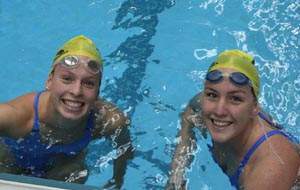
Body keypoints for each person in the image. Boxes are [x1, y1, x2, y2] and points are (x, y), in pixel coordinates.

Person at [0, 35, 133, 189]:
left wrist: (117, 182)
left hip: (61, 168)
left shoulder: (108, 121)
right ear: (49, 81)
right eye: (67, 79)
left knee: (77, 172)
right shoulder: (18, 116)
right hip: (9, 160)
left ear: (97, 92)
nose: (76, 91)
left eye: (88, 83)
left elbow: (124, 151)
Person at [165, 50, 300, 190]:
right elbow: (190, 114)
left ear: (254, 107)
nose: (219, 110)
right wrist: (177, 174)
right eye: (212, 94)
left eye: (235, 99)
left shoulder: (270, 167)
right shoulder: (204, 105)